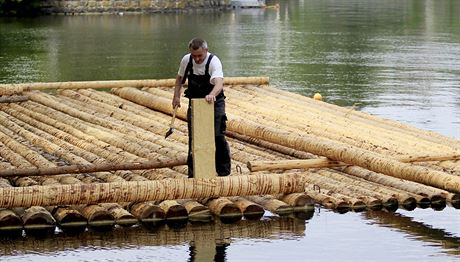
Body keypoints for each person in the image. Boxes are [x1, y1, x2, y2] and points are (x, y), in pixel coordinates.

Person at [173, 38, 231, 178]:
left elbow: (219, 84)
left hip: (214, 102)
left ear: (206, 50)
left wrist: (211, 95)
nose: (197, 59)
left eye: (200, 55)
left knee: (217, 135)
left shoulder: (214, 61)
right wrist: (176, 96)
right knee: (195, 137)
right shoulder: (186, 60)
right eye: (194, 56)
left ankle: (223, 171)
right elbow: (180, 79)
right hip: (195, 102)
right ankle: (194, 173)